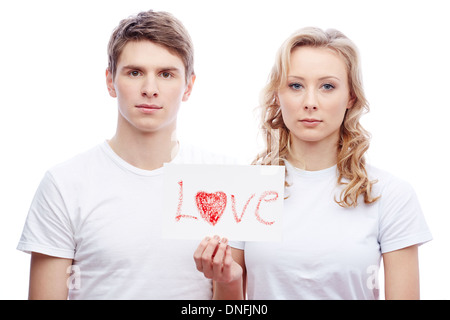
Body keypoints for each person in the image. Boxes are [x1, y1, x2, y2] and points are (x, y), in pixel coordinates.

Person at [193, 27, 432, 299]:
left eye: (327, 86)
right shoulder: (245, 190)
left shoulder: (390, 194)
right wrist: (226, 281)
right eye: (295, 86)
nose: (310, 102)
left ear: (350, 97)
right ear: (277, 95)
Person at [17, 10, 229, 299]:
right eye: (135, 72)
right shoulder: (64, 185)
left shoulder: (223, 180)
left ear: (189, 86)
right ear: (110, 81)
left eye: (166, 74)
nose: (150, 89)